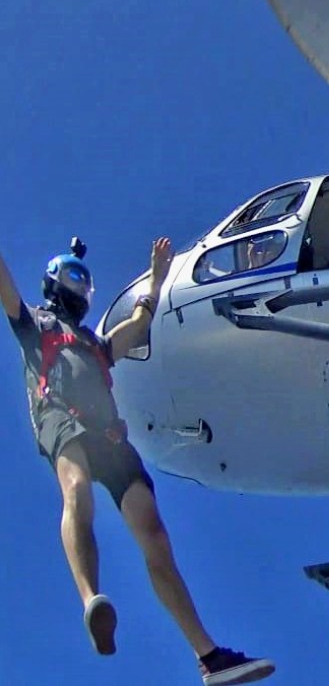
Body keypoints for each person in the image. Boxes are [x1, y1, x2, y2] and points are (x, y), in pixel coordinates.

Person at [0, 236, 276, 684]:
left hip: (109, 435)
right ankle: (92, 599)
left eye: (86, 283)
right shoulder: (33, 324)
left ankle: (209, 657)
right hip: (61, 416)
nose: (82, 289)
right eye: (74, 278)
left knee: (154, 533)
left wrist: (158, 277)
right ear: (53, 282)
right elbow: (5, 284)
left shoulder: (94, 343)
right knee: (77, 490)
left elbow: (139, 323)